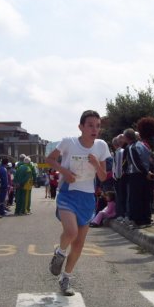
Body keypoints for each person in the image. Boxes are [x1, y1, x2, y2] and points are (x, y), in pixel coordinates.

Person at [46, 110, 111, 296]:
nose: (94, 129)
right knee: (71, 232)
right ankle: (60, 252)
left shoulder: (101, 146)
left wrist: (96, 164)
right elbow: (49, 159)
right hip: (68, 193)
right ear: (81, 127)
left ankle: (66, 277)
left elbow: (103, 177)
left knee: (79, 243)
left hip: (87, 197)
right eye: (90, 125)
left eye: (97, 126)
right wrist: (64, 172)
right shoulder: (69, 142)